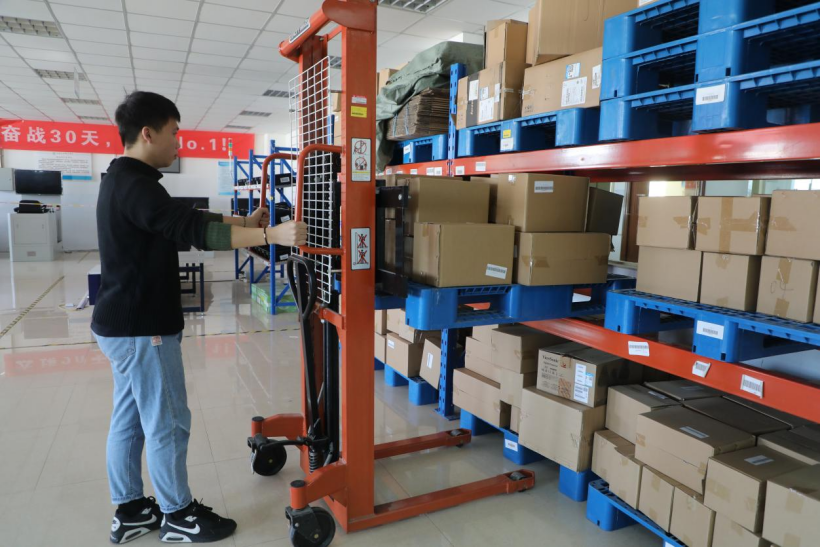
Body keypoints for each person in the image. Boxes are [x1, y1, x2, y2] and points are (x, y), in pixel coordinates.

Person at [92, 91, 307, 544]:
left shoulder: (124, 180)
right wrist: (270, 234)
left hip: (122, 325)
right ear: (147, 133)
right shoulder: (136, 186)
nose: (179, 143)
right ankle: (178, 515)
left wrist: (243, 221)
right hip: (143, 328)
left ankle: (130, 510)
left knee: (130, 420)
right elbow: (193, 229)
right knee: (168, 422)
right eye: (174, 133)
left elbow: (181, 219)